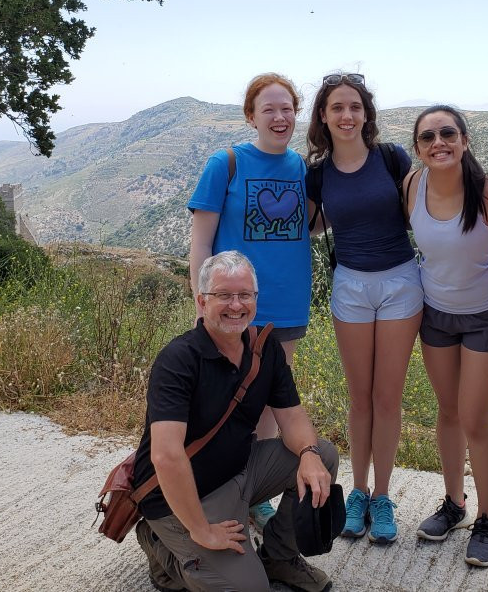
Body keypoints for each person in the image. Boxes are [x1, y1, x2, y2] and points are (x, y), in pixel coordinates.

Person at [132, 251, 338, 592]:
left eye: (245, 295)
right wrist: (201, 530)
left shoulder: (264, 349)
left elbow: (291, 415)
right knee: (248, 588)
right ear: (201, 301)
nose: (236, 305)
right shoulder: (178, 360)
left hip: (239, 471)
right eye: (223, 295)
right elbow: (166, 456)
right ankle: (163, 548)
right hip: (183, 496)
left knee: (322, 457)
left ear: (255, 299)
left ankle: (279, 558)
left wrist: (309, 454)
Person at [406, 105, 488, 567]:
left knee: (476, 419)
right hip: (436, 314)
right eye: (428, 136)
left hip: (485, 315)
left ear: (464, 139)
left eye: (448, 133)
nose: (438, 142)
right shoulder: (412, 187)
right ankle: (454, 504)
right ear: (417, 147)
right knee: (448, 411)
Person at [187, 72, 311, 532]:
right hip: (233, 305)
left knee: (269, 402)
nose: (279, 118)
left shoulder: (300, 167)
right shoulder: (228, 164)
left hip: (287, 302)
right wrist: (203, 304)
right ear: (251, 116)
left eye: (287, 109)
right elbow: (200, 240)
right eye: (269, 109)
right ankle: (215, 487)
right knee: (224, 399)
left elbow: (310, 224)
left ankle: (254, 495)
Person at [304, 72, 423, 545]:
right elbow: (311, 226)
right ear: (323, 117)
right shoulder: (317, 172)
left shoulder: (392, 159)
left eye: (354, 106)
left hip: (400, 282)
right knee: (360, 398)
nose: (347, 115)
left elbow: (427, 211)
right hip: (350, 284)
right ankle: (356, 491)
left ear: (366, 113)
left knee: (387, 398)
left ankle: (383, 495)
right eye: (337, 108)